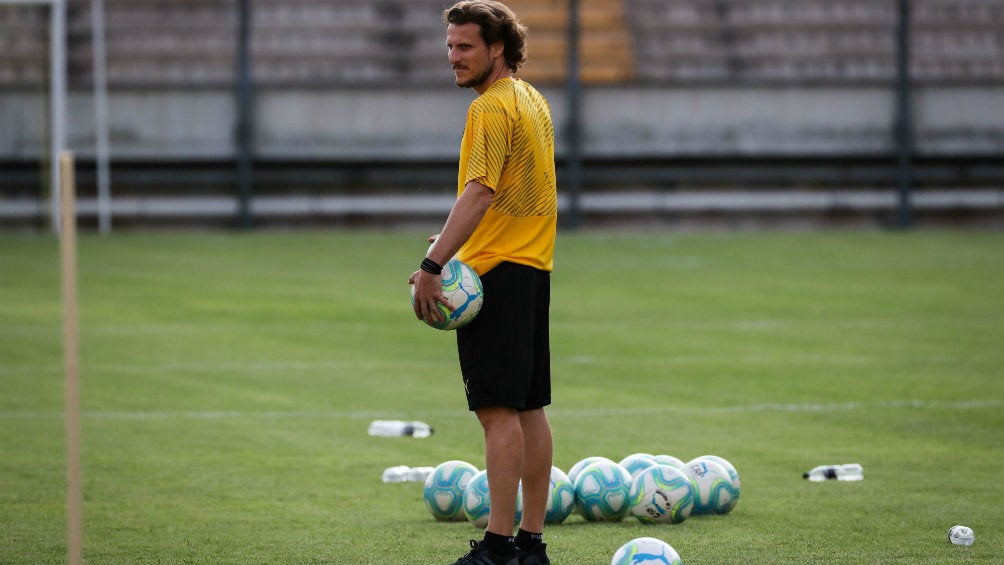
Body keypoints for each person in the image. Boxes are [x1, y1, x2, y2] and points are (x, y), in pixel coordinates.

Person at [408, 2, 557, 564]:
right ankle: (531, 544)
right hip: (532, 268)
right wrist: (453, 244)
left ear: (498, 47)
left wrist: (434, 266)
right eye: (449, 46)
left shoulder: (491, 109)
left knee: (497, 410)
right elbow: (511, 195)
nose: (453, 57)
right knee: (528, 408)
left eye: (465, 46)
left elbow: (479, 193)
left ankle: (496, 548)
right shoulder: (532, 99)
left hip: (495, 275)